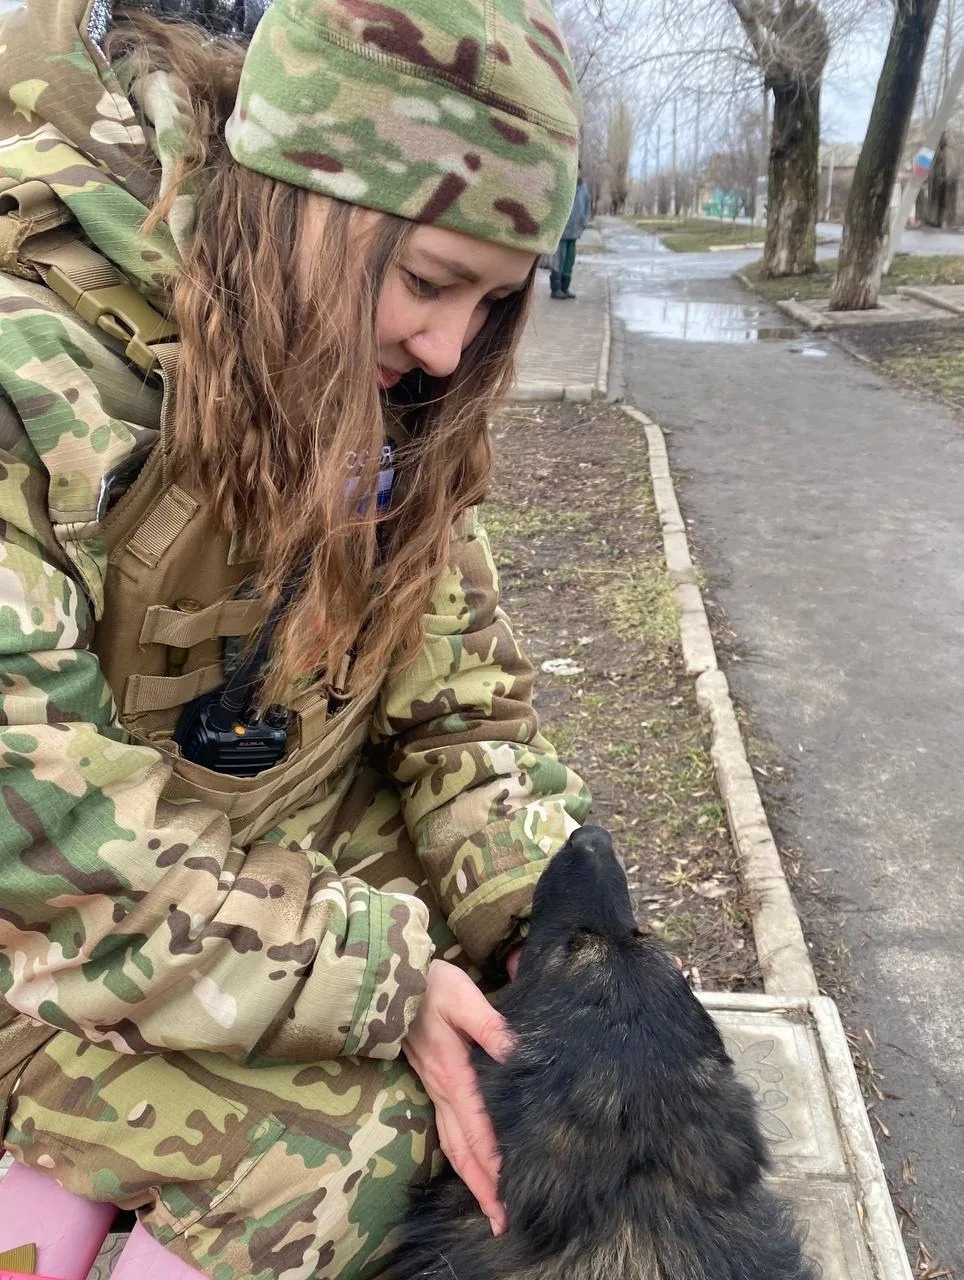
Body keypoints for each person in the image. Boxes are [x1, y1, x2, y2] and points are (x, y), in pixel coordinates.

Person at [0, 1, 591, 1277]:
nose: (447, 346)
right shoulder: (33, 369)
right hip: (48, 921)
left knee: (522, 1069)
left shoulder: (384, 378)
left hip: (243, 864)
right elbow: (48, 842)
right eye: (427, 280)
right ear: (298, 201)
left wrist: (564, 936)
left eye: (491, 302)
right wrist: (389, 982)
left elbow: (460, 705)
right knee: (350, 1159)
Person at [549, 167, 592, 299]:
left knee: (569, 261)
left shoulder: (583, 188)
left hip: (574, 232)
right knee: (558, 260)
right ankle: (556, 289)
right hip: (562, 232)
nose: (576, 172)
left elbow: (587, 206)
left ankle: (565, 287)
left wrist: (583, 223)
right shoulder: (563, 183)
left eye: (578, 169)